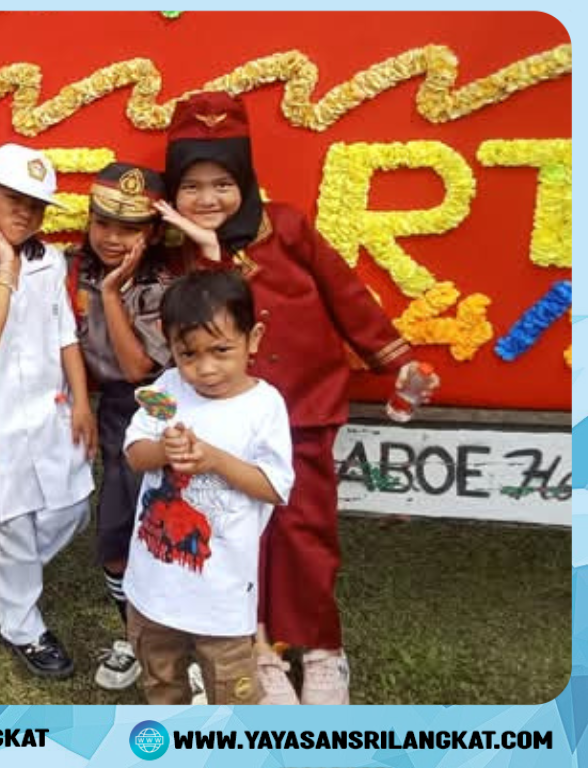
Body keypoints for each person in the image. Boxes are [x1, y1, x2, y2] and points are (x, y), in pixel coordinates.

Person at [156, 91, 435, 704]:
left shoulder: (286, 226)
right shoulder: (175, 251)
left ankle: (323, 649)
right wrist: (209, 257)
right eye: (192, 186)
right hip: (230, 419)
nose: (208, 199)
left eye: (223, 183)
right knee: (242, 535)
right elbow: (199, 328)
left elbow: (346, 296)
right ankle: (262, 651)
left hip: (305, 406)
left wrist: (396, 359)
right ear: (173, 191)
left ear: (245, 179)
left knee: (304, 530)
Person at [124, 269, 294, 705]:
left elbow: (274, 487)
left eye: (221, 350)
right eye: (188, 354)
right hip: (153, 589)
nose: (205, 368)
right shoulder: (168, 388)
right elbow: (135, 454)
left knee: (232, 693)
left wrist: (215, 460)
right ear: (171, 348)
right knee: (162, 684)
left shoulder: (263, 406)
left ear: (253, 339)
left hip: (223, 598)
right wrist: (163, 450)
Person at [0, 144, 94, 679]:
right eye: (12, 199)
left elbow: (64, 334)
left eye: (35, 205)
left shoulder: (50, 260)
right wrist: (4, 267)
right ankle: (24, 626)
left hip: (49, 410)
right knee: (11, 521)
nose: (24, 213)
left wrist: (81, 400)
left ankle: (4, 580)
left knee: (73, 506)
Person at [64, 162, 190, 692]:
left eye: (128, 228)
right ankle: (134, 637)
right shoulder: (72, 268)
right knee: (115, 533)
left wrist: (113, 294)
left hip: (163, 408)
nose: (112, 238)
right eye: (103, 223)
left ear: (153, 233)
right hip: (112, 407)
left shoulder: (165, 284)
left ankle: (181, 645)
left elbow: (139, 368)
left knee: (168, 530)